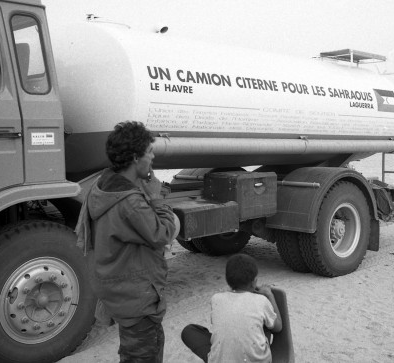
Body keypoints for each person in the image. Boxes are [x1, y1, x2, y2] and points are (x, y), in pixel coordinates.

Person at [76, 120, 179, 362]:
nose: (153, 157)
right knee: (144, 352)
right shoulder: (130, 202)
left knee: (134, 350)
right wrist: (157, 199)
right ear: (135, 157)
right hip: (137, 300)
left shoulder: (103, 185)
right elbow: (162, 234)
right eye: (149, 151)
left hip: (122, 294)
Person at [181, 254, 283, 363]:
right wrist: (270, 295)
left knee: (189, 330)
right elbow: (278, 328)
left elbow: (215, 321)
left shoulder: (216, 299)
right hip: (258, 360)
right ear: (254, 282)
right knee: (264, 325)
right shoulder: (261, 301)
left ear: (228, 281)